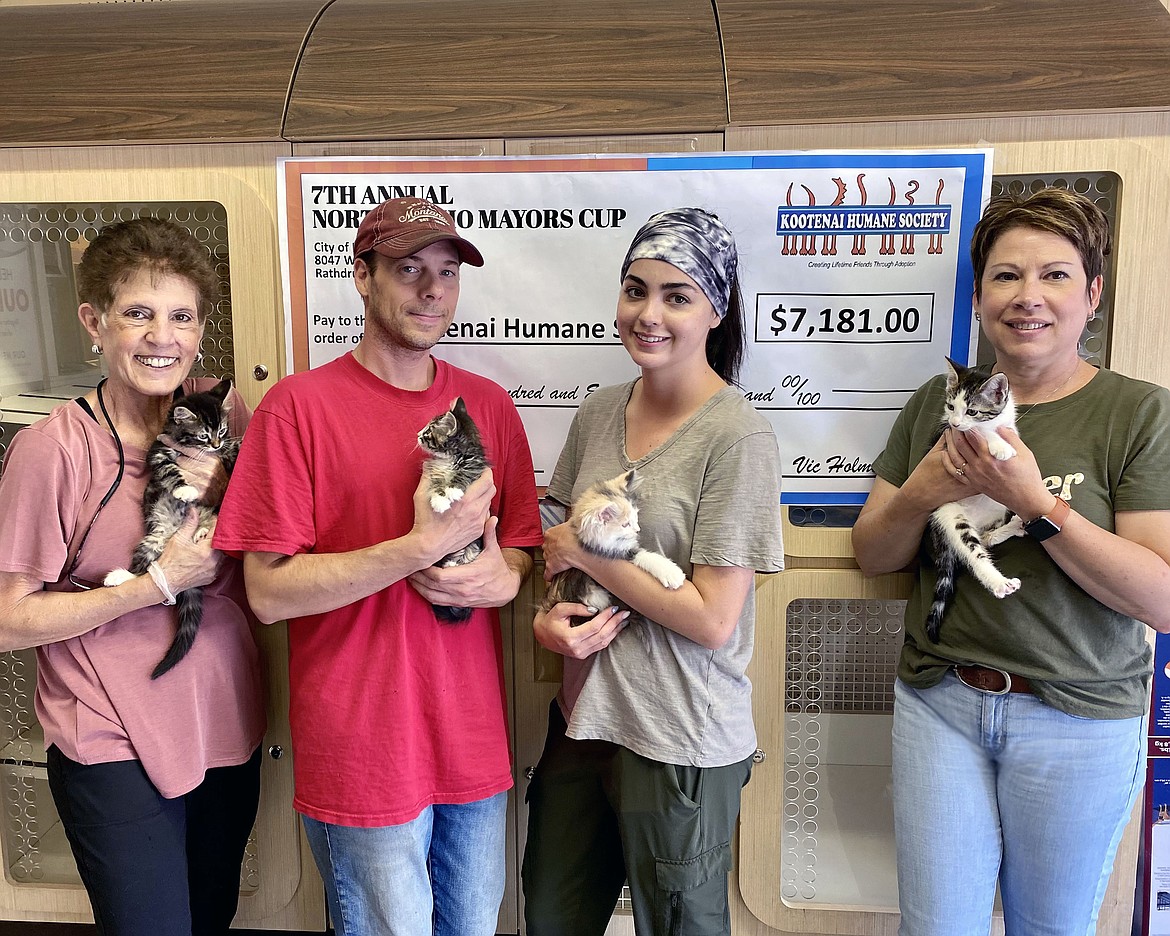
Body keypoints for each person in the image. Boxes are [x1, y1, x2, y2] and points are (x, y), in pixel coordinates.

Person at [213, 197, 542, 936]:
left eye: (448, 273)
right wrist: (415, 549)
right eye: (408, 269)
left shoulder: (487, 405)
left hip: (473, 746)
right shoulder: (297, 409)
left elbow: (521, 546)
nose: (432, 291)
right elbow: (266, 592)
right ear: (362, 277)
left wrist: (507, 577)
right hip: (364, 751)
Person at [852, 187, 1170, 934]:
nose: (1028, 297)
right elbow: (873, 554)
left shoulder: (1138, 413)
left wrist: (1039, 504)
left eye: (1055, 275)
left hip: (1080, 718)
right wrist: (920, 493)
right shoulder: (937, 399)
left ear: (1092, 295)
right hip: (942, 704)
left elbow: (1161, 599)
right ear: (978, 296)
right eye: (1006, 276)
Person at [522, 207, 784, 936]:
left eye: (677, 296)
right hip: (582, 723)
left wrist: (585, 550)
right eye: (635, 290)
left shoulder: (739, 436)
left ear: (716, 309)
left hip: (679, 742)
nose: (649, 313)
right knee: (548, 917)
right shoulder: (600, 413)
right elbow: (552, 543)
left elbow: (711, 617)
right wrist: (550, 619)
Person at [0, 217, 266, 935]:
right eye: (138, 314)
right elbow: (8, 618)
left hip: (220, 718)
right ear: (95, 322)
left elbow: (259, 548)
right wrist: (152, 586)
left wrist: (224, 493)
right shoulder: (53, 451)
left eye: (181, 316)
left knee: (208, 918)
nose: (162, 337)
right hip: (110, 731)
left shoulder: (222, 410)